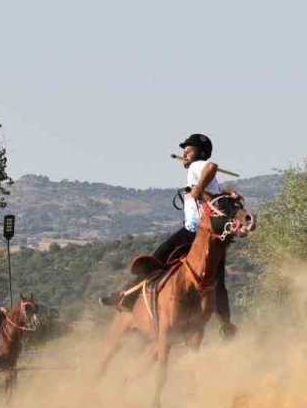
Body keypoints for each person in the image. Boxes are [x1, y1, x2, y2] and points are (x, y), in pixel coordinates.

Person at [101, 133, 236, 337]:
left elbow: (212, 166)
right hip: (213, 238)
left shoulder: (197, 167)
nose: (184, 154)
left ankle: (126, 297)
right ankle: (226, 323)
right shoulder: (209, 181)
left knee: (156, 258)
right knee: (218, 282)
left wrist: (197, 188)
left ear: (200, 153)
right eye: (185, 151)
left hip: (195, 233)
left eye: (188, 150)